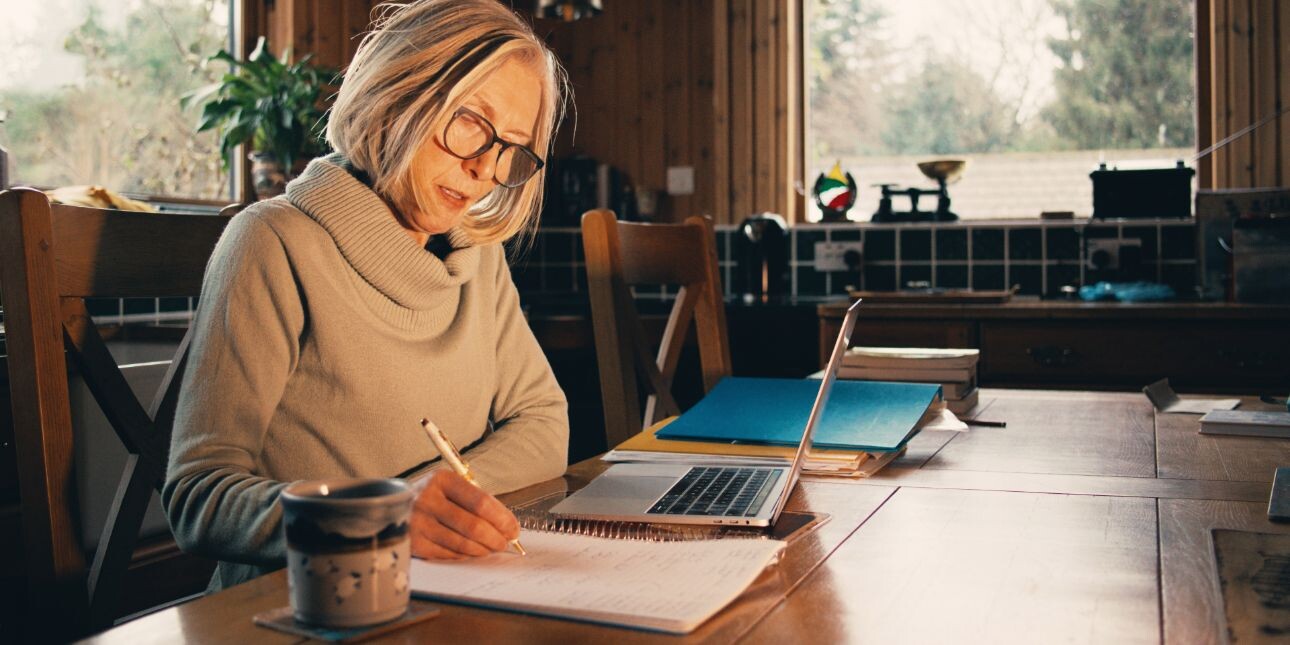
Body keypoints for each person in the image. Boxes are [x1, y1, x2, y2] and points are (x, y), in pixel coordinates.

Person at [163, 0, 570, 591]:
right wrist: (383, 514)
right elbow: (200, 499)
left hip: (445, 590)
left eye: (511, 146)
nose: (486, 168)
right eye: (471, 123)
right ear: (396, 93)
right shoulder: (272, 241)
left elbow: (544, 422)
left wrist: (438, 504)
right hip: (297, 608)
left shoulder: (478, 259)